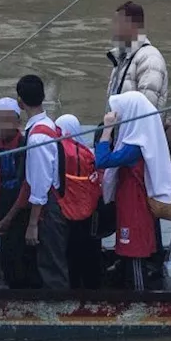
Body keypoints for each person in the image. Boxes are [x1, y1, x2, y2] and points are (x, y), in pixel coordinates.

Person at [96, 90, 171, 290]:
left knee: (135, 255)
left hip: (135, 209)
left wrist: (107, 130)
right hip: (130, 205)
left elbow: (103, 160)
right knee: (128, 255)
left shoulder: (136, 146)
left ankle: (141, 303)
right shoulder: (140, 141)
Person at [4, 75, 69, 289]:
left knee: (51, 266)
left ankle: (59, 314)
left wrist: (32, 224)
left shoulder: (37, 137)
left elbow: (40, 185)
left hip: (48, 210)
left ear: (20, 103)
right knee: (51, 261)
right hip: (55, 202)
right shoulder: (47, 124)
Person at [0, 97, 38, 289]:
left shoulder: (25, 144)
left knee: (24, 255)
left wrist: (9, 217)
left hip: (21, 208)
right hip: (4, 205)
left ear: (17, 122)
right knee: (7, 255)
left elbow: (27, 185)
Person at [55, 113, 102, 290]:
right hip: (91, 216)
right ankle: (94, 289)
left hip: (67, 216)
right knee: (91, 254)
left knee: (71, 255)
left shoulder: (59, 153)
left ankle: (73, 291)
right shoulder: (90, 155)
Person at [107, 1, 168, 110]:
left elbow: (146, 109)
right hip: (119, 126)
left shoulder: (150, 58)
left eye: (118, 23)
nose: (114, 28)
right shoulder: (122, 57)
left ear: (134, 26)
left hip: (137, 127)